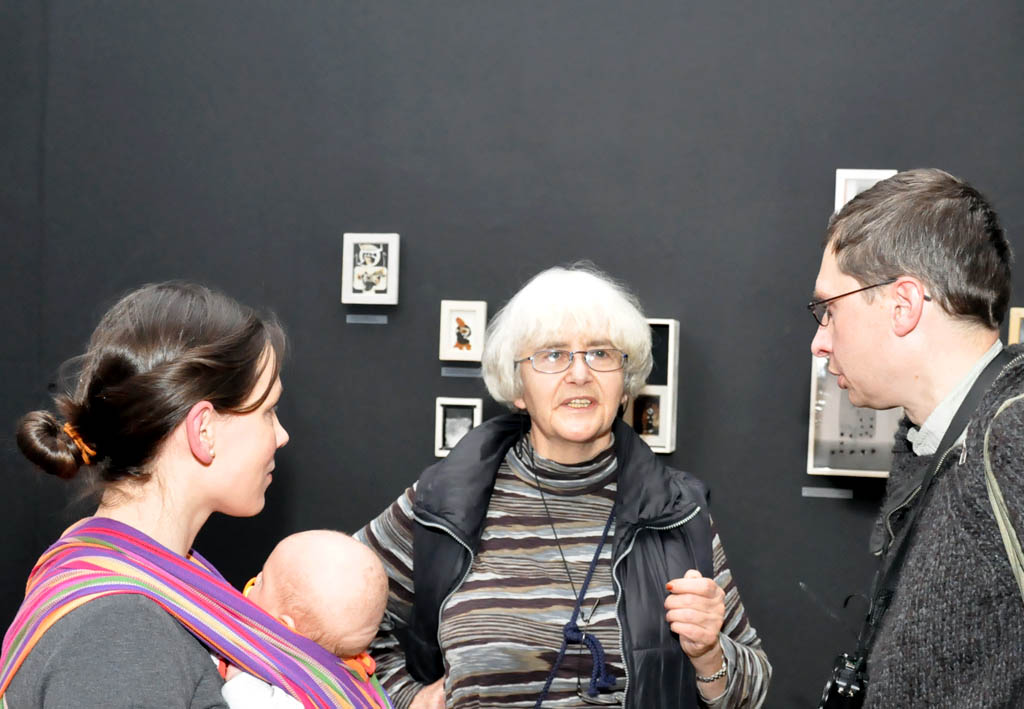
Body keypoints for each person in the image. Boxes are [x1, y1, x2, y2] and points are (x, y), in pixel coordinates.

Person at [357, 264, 771, 708]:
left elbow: (753, 689)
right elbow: (324, 620)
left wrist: (709, 654)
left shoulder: (676, 513)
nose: (579, 374)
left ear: (625, 383)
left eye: (600, 353)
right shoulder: (442, 504)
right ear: (518, 387)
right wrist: (407, 699)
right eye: (553, 354)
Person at [0, 282, 390, 709]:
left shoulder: (155, 578)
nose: (281, 436)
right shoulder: (121, 632)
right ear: (203, 430)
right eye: (267, 411)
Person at [808, 168, 1024, 707]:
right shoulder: (943, 444)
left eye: (829, 310)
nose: (819, 341)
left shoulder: (1012, 437)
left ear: (903, 305)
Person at [221, 530, 391, 708]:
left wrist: (239, 674)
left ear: (283, 627)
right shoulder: (357, 684)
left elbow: (246, 700)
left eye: (262, 582)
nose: (256, 579)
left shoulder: (291, 698)